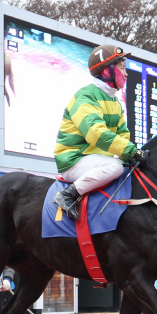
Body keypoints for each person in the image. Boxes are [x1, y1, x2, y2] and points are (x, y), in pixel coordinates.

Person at [52, 44, 142, 220]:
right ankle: (68, 195)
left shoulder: (114, 102)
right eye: (122, 68)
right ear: (107, 71)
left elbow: (122, 134)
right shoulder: (86, 96)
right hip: (74, 159)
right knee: (114, 167)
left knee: (126, 168)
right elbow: (95, 133)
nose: (126, 74)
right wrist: (129, 151)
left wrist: (129, 156)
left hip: (95, 160)